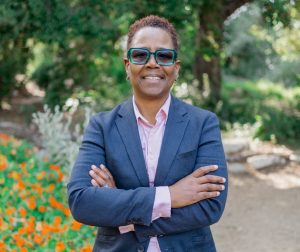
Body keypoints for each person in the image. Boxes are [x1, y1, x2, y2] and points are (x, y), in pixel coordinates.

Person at [68, 15, 228, 252]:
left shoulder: (203, 123)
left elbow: (210, 206)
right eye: (141, 54)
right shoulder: (101, 126)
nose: (152, 63)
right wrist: (171, 196)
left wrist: (123, 212)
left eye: (163, 55)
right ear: (127, 65)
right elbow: (82, 202)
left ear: (176, 67)